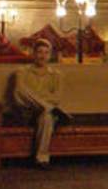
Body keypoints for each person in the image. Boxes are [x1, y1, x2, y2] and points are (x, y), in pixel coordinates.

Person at [9, 38, 67, 167]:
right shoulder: (21, 72)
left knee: (47, 116)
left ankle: (42, 158)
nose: (43, 56)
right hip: (26, 112)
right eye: (40, 52)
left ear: (50, 55)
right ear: (34, 54)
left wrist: (37, 99)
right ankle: (48, 108)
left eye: (46, 53)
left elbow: (56, 98)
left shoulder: (57, 75)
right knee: (21, 91)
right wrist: (44, 101)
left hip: (44, 113)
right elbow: (19, 94)